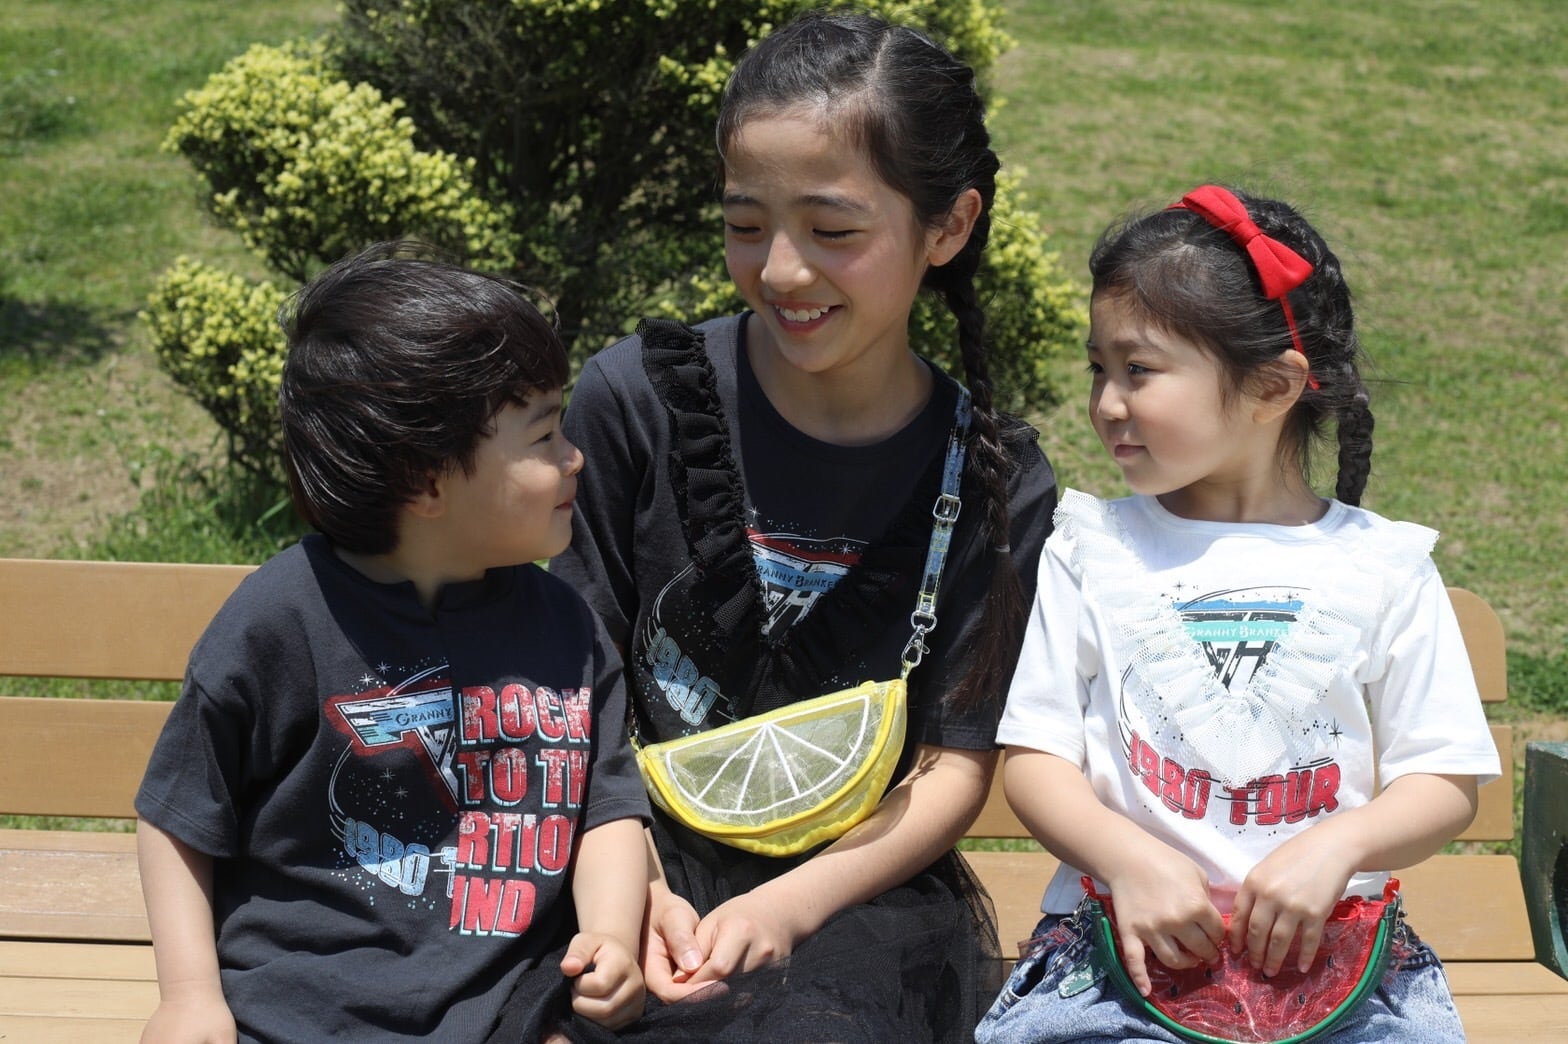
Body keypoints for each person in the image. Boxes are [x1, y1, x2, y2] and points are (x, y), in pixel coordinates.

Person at [537, 10, 1057, 1042]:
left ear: (948, 227)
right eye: (746, 224)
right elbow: (572, 678)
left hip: (853, 897)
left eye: (833, 231)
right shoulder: (639, 400)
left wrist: (785, 908)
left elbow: (952, 765)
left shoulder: (994, 481)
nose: (780, 270)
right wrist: (629, 881)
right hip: (612, 844)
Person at [976, 185, 1502, 1044]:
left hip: (1343, 972)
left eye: (1138, 370)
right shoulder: (1091, 550)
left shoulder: (1384, 568)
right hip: (1114, 963)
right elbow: (1037, 760)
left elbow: (1443, 780)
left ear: (1271, 386)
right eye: (1099, 368)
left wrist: (1338, 848)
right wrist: (1128, 860)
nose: (1107, 402)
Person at [133, 243, 651, 1043]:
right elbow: (179, 815)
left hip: (513, 1003)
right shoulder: (282, 620)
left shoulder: (567, 627)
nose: (574, 457)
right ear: (426, 481)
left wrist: (612, 937)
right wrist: (189, 996)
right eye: (545, 435)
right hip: (299, 1011)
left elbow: (605, 809)